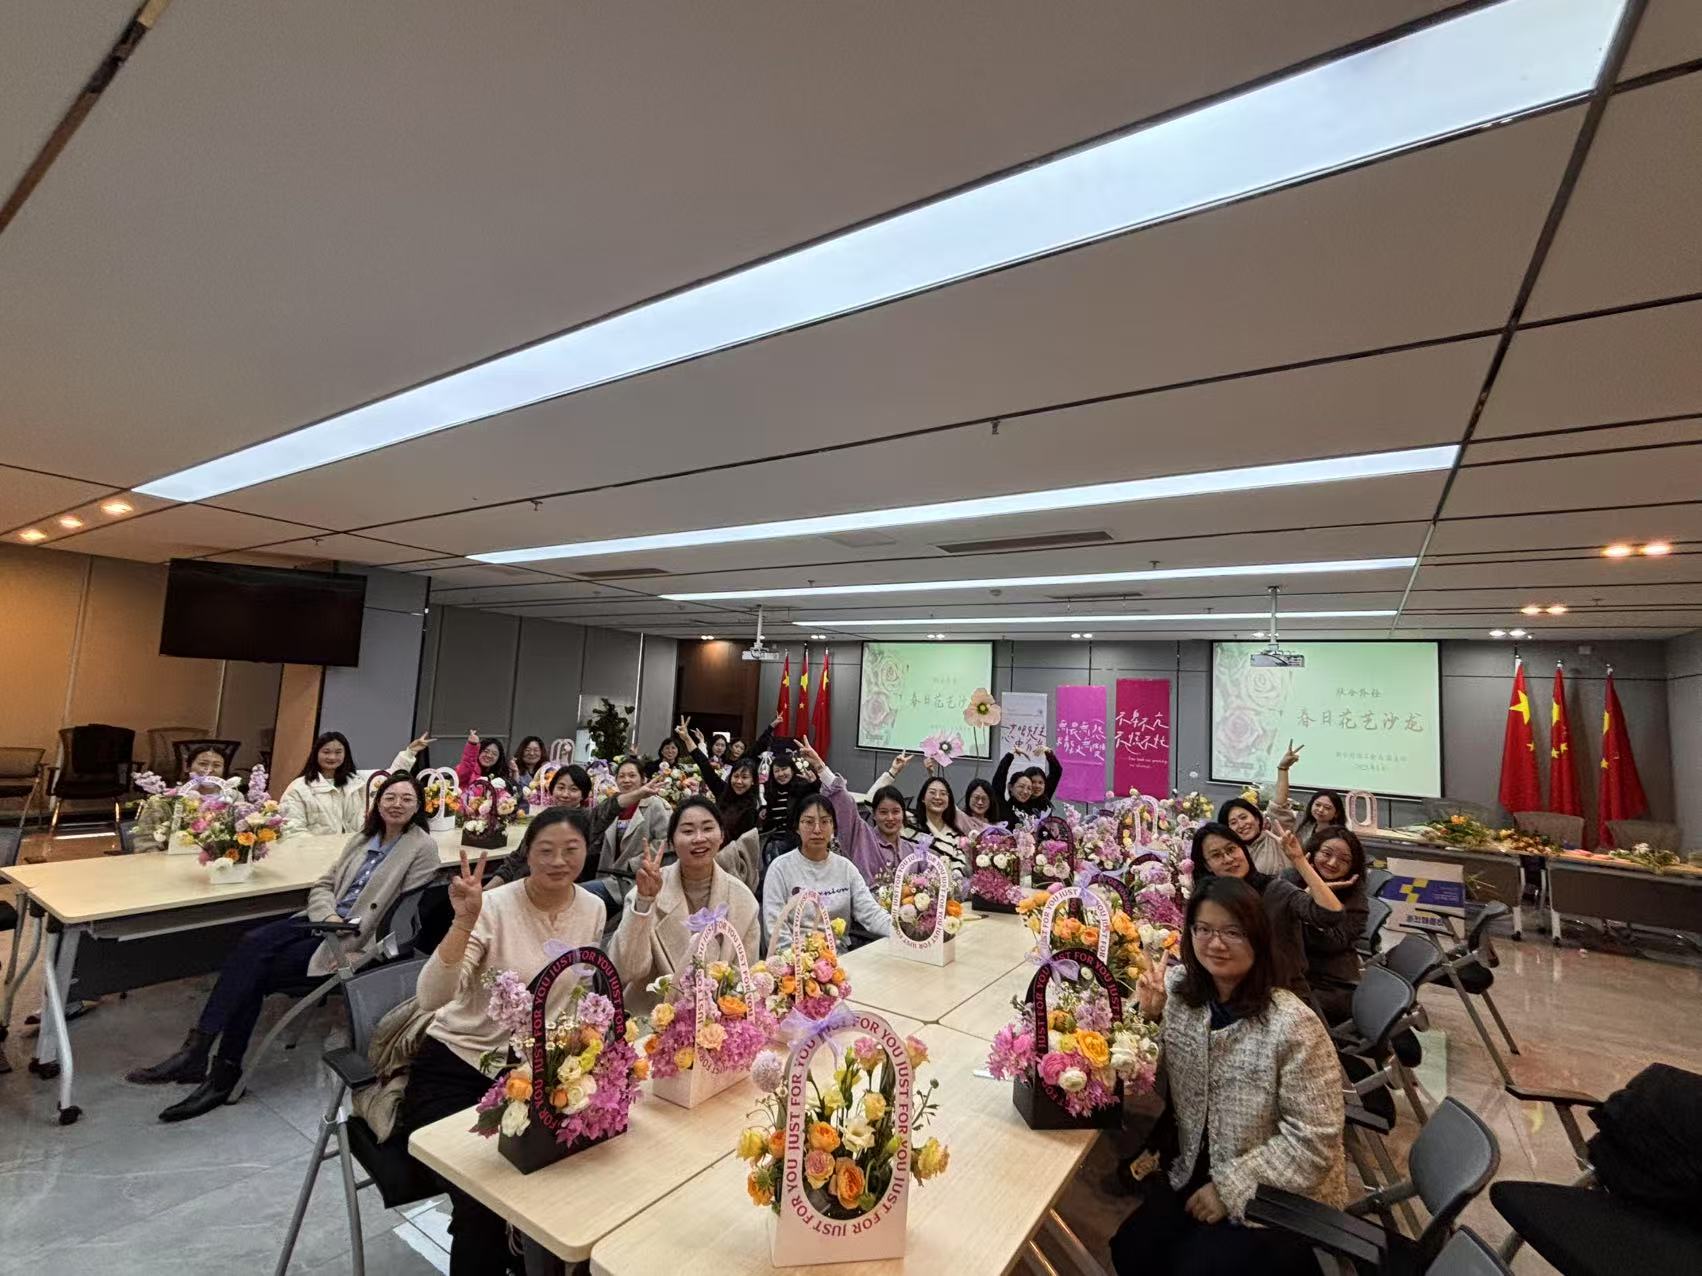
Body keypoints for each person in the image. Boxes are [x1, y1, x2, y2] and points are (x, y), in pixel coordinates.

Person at [128, 773, 441, 1119]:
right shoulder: (363, 838)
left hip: (351, 940)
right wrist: (327, 913)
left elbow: (400, 913)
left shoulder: (421, 848)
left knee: (252, 974)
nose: (397, 804)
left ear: (418, 806)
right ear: (378, 802)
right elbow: (324, 884)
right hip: (321, 921)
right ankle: (203, 1055)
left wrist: (363, 951)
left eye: (407, 799)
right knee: (251, 944)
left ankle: (215, 1068)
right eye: (390, 797)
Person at [399, 808, 606, 1275]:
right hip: (459, 1068)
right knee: (484, 1205)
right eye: (545, 850)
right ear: (526, 853)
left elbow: (576, 992)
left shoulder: (592, 908)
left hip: (537, 1074)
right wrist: (463, 923)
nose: (558, 861)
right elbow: (431, 997)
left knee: (582, 1182)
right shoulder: (491, 907)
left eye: (570, 850)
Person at [1111, 875, 1345, 1274]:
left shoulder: (1292, 1024)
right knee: (1130, 1250)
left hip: (1279, 1192)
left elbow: (1314, 1143)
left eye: (1232, 932)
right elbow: (1145, 1085)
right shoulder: (1180, 994)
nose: (1215, 944)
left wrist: (1230, 1188)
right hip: (1196, 1166)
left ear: (1258, 937)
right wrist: (1147, 1019)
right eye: (1203, 929)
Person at [609, 797, 761, 1013]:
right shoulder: (648, 889)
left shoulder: (742, 900)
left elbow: (746, 980)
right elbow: (625, 969)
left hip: (720, 1019)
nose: (699, 838)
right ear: (671, 842)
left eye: (707, 828)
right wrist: (644, 902)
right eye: (688, 831)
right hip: (651, 1017)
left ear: (722, 836)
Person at [1187, 822, 1350, 1005]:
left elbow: (1330, 914)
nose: (1228, 859)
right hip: (1230, 996)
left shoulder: (1276, 890)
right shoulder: (1209, 902)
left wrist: (1299, 860)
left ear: (1243, 849)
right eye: (1216, 855)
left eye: (1231, 849)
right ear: (1207, 865)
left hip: (1283, 996)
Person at [761, 791, 893, 940]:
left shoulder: (845, 868)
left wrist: (901, 933)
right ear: (797, 827)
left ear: (833, 827)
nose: (817, 830)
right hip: (794, 951)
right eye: (809, 822)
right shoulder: (780, 869)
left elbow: (871, 913)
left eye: (825, 822)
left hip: (840, 951)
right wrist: (797, 954)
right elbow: (774, 929)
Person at [1284, 826, 1370, 1024]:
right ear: (1313, 852)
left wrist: (1318, 900)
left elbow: (1331, 943)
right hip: (1291, 971)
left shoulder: (1356, 902)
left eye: (1344, 860)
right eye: (1327, 853)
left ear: (1353, 867)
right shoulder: (1290, 878)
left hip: (1328, 985)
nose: (1332, 863)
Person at [278, 731, 428, 836]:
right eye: (326, 752)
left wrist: (410, 752)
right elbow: (291, 830)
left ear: (346, 754)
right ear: (316, 754)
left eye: (338, 752)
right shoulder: (299, 788)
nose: (332, 757)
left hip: (352, 854)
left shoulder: (357, 782)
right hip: (315, 856)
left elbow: (387, 777)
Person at [807, 740, 913, 884]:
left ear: (903, 813)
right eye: (883, 812)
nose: (890, 818)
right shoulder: (861, 837)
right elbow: (844, 802)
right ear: (873, 814)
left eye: (896, 812)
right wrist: (820, 767)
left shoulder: (911, 849)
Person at [490, 764, 593, 886]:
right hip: (520, 885)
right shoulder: (543, 818)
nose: (565, 794)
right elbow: (517, 858)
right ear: (552, 789)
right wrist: (488, 889)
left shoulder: (588, 822)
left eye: (573, 789)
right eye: (561, 788)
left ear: (583, 794)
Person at [590, 756, 670, 907]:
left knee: (585, 895)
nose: (626, 780)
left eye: (632, 775)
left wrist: (634, 864)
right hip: (606, 875)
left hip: (634, 879)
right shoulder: (612, 806)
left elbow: (666, 841)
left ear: (643, 779)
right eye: (621, 776)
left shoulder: (655, 805)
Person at [133, 747, 230, 849]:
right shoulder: (161, 802)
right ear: (187, 767)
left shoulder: (232, 801)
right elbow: (146, 844)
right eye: (203, 764)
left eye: (217, 765)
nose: (209, 769)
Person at [1216, 797, 1287, 877]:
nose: (1241, 825)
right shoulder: (1230, 856)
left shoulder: (1277, 837)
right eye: (1233, 823)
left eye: (1243, 817)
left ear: (1257, 819)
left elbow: (1279, 808)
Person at [914, 769, 969, 868]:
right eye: (932, 792)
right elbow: (882, 803)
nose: (937, 797)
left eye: (943, 793)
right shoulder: (909, 823)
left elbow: (959, 868)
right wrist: (893, 772)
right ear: (923, 798)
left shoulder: (956, 836)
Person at [991, 746, 1062, 821]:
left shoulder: (1044, 798)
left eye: (1040, 782)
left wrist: (1048, 752)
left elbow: (1056, 772)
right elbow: (998, 783)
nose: (1037, 786)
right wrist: (1010, 755)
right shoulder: (1011, 806)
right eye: (1033, 782)